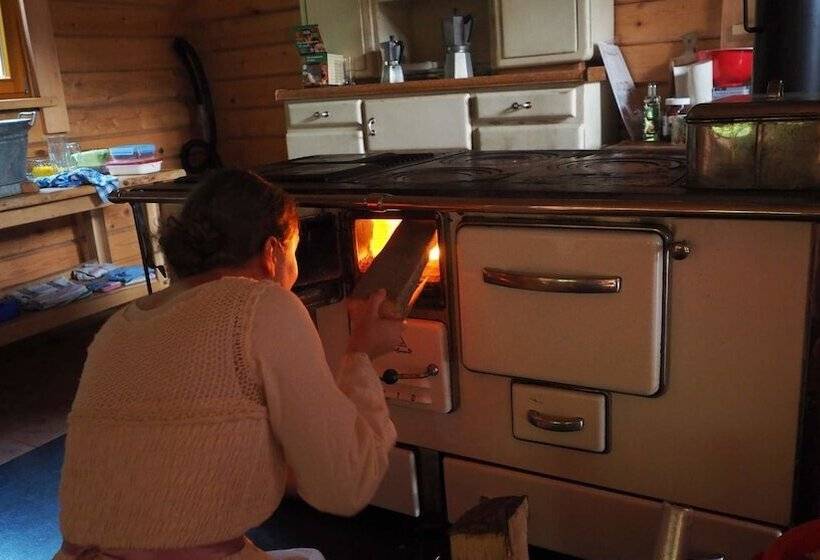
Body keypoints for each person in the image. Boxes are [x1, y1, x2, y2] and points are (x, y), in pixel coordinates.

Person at [54, 169, 403, 560]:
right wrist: (361, 354)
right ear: (273, 253)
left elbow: (203, 453)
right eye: (294, 251)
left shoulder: (118, 325)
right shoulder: (262, 305)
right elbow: (344, 485)